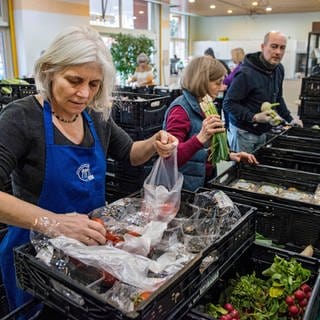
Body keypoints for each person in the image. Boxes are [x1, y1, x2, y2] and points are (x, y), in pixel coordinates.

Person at [0, 25, 178, 316]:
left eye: (94, 84)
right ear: (49, 71)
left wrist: (155, 143)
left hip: (90, 252)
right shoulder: (20, 118)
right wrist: (54, 222)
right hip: (35, 258)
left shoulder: (95, 116)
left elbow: (130, 154)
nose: (84, 93)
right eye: (74, 80)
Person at [163, 56, 258, 192]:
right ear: (202, 82)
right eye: (217, 83)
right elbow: (170, 158)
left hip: (203, 180)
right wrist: (200, 138)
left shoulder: (205, 105)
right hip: (184, 188)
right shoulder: (180, 111)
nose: (221, 88)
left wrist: (229, 154)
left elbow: (205, 150)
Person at [223, 31, 302, 153]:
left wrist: (290, 119)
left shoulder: (278, 69)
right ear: (263, 47)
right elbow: (228, 104)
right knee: (243, 169)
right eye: (274, 46)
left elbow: (278, 98)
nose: (278, 52)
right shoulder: (246, 73)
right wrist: (254, 117)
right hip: (243, 132)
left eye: (282, 48)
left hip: (265, 131)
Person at [223, 47, 245, 129]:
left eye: (232, 56)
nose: (231, 58)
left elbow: (227, 80)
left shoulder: (240, 68)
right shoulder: (241, 66)